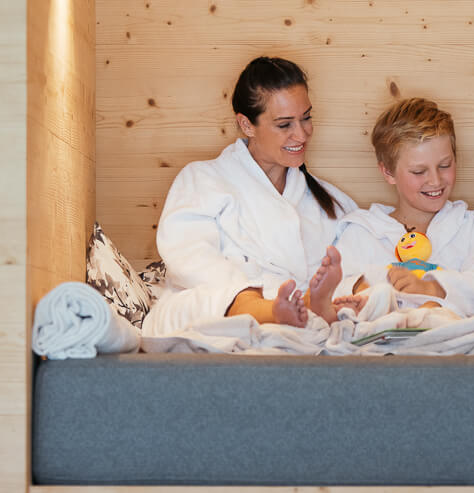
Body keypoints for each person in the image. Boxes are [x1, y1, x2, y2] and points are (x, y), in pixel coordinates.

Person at [147, 55, 355, 332]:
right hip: (233, 305)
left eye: (306, 118)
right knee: (188, 306)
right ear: (246, 125)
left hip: (302, 308)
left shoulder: (329, 201)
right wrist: (249, 295)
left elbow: (359, 256)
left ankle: (303, 306)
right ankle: (272, 311)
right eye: (285, 125)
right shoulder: (203, 179)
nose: (302, 135)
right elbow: (188, 257)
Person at [333, 96, 474, 316]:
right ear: (388, 172)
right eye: (419, 171)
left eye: (444, 165)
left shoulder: (473, 227)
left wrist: (431, 288)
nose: (435, 180)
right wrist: (362, 289)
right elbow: (336, 284)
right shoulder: (363, 231)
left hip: (448, 331)